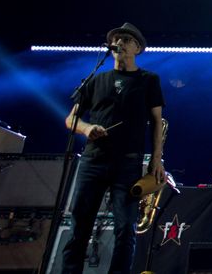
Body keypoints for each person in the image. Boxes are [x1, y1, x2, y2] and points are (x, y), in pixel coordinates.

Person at [61, 22, 165, 274]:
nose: (119, 43)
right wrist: (87, 128)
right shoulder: (96, 79)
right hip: (93, 160)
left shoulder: (148, 80)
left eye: (126, 40)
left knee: (125, 228)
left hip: (127, 163)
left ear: (137, 48)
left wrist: (156, 159)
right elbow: (71, 119)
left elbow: (157, 121)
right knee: (80, 225)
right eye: (116, 39)